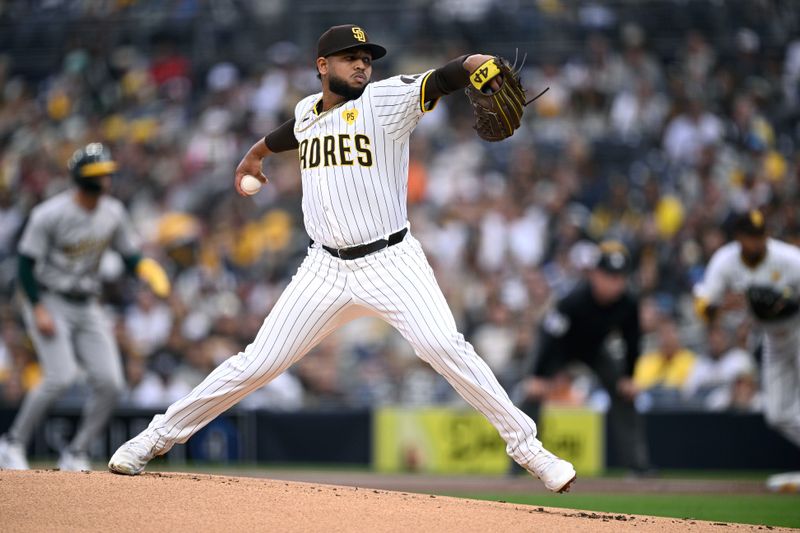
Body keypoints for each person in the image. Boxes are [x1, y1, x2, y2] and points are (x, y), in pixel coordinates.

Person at [107, 24, 576, 493]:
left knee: (442, 346)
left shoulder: (387, 101)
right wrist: (255, 154)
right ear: (322, 66)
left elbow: (443, 78)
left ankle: (529, 449)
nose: (361, 65)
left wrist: (473, 64)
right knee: (256, 364)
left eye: (366, 59)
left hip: (391, 261)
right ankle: (153, 439)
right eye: (351, 57)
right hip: (325, 269)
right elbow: (294, 131)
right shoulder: (307, 112)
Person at [0, 143, 170, 471]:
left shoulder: (112, 212)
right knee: (60, 377)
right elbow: (25, 264)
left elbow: (128, 253)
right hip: (49, 297)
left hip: (87, 302)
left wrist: (145, 268)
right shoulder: (50, 213)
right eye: (98, 174)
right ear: (80, 177)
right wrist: (36, 307)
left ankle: (76, 451)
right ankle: (12, 442)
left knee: (111, 383)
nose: (105, 179)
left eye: (107, 173)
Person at [520, 240, 651, 473]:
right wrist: (538, 375)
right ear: (595, 275)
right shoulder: (573, 300)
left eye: (620, 277)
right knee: (531, 395)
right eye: (609, 276)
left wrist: (629, 375)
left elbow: (633, 341)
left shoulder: (628, 303)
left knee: (625, 394)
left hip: (595, 351)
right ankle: (520, 463)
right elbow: (549, 337)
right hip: (561, 350)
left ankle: (638, 466)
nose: (615, 283)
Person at [694, 209, 800, 492]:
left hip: (798, 328)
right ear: (739, 237)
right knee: (778, 414)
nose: (757, 242)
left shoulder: (788, 258)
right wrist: (719, 307)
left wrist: (789, 302)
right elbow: (704, 304)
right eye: (751, 236)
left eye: (761, 235)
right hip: (772, 338)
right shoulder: (726, 261)